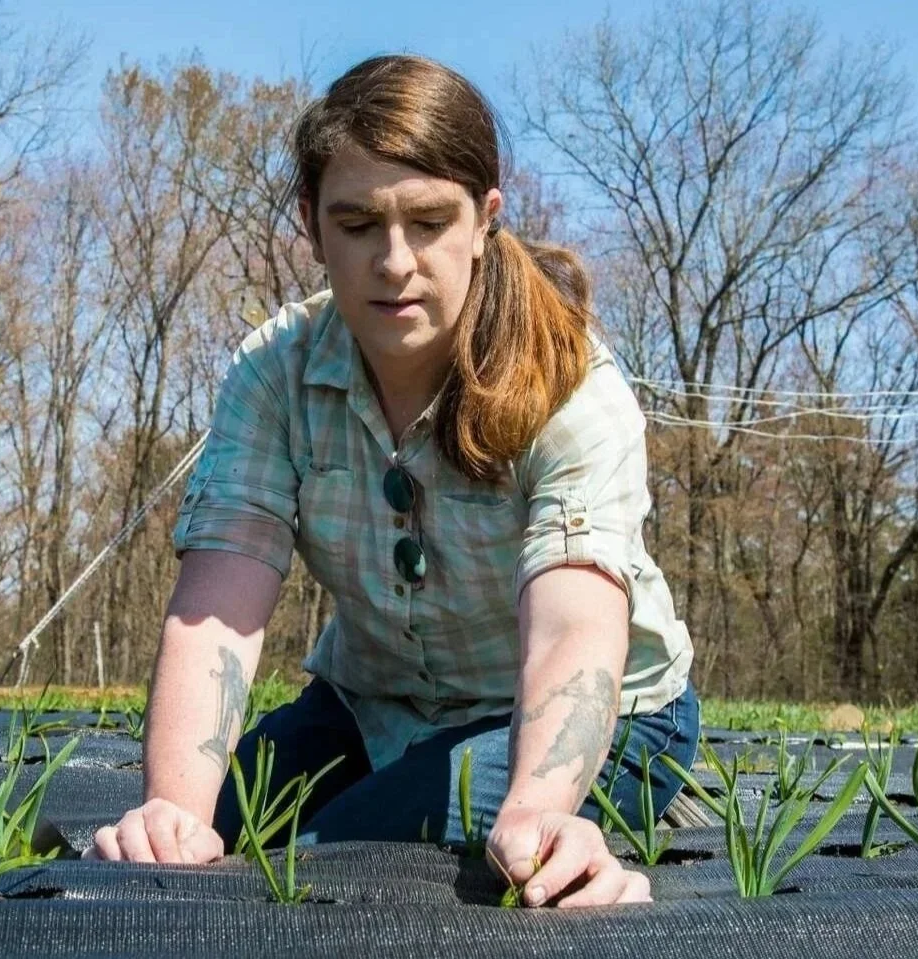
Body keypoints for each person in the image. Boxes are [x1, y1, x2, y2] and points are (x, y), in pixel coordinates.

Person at [83, 53, 698, 909]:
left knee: (327, 860)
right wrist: (173, 813)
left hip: (607, 717)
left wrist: (538, 813)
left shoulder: (568, 383)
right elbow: (217, 606)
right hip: (372, 704)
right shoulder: (274, 376)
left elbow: (573, 623)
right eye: (359, 223)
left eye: (430, 221)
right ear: (312, 225)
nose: (395, 261)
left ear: (484, 220)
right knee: (200, 839)